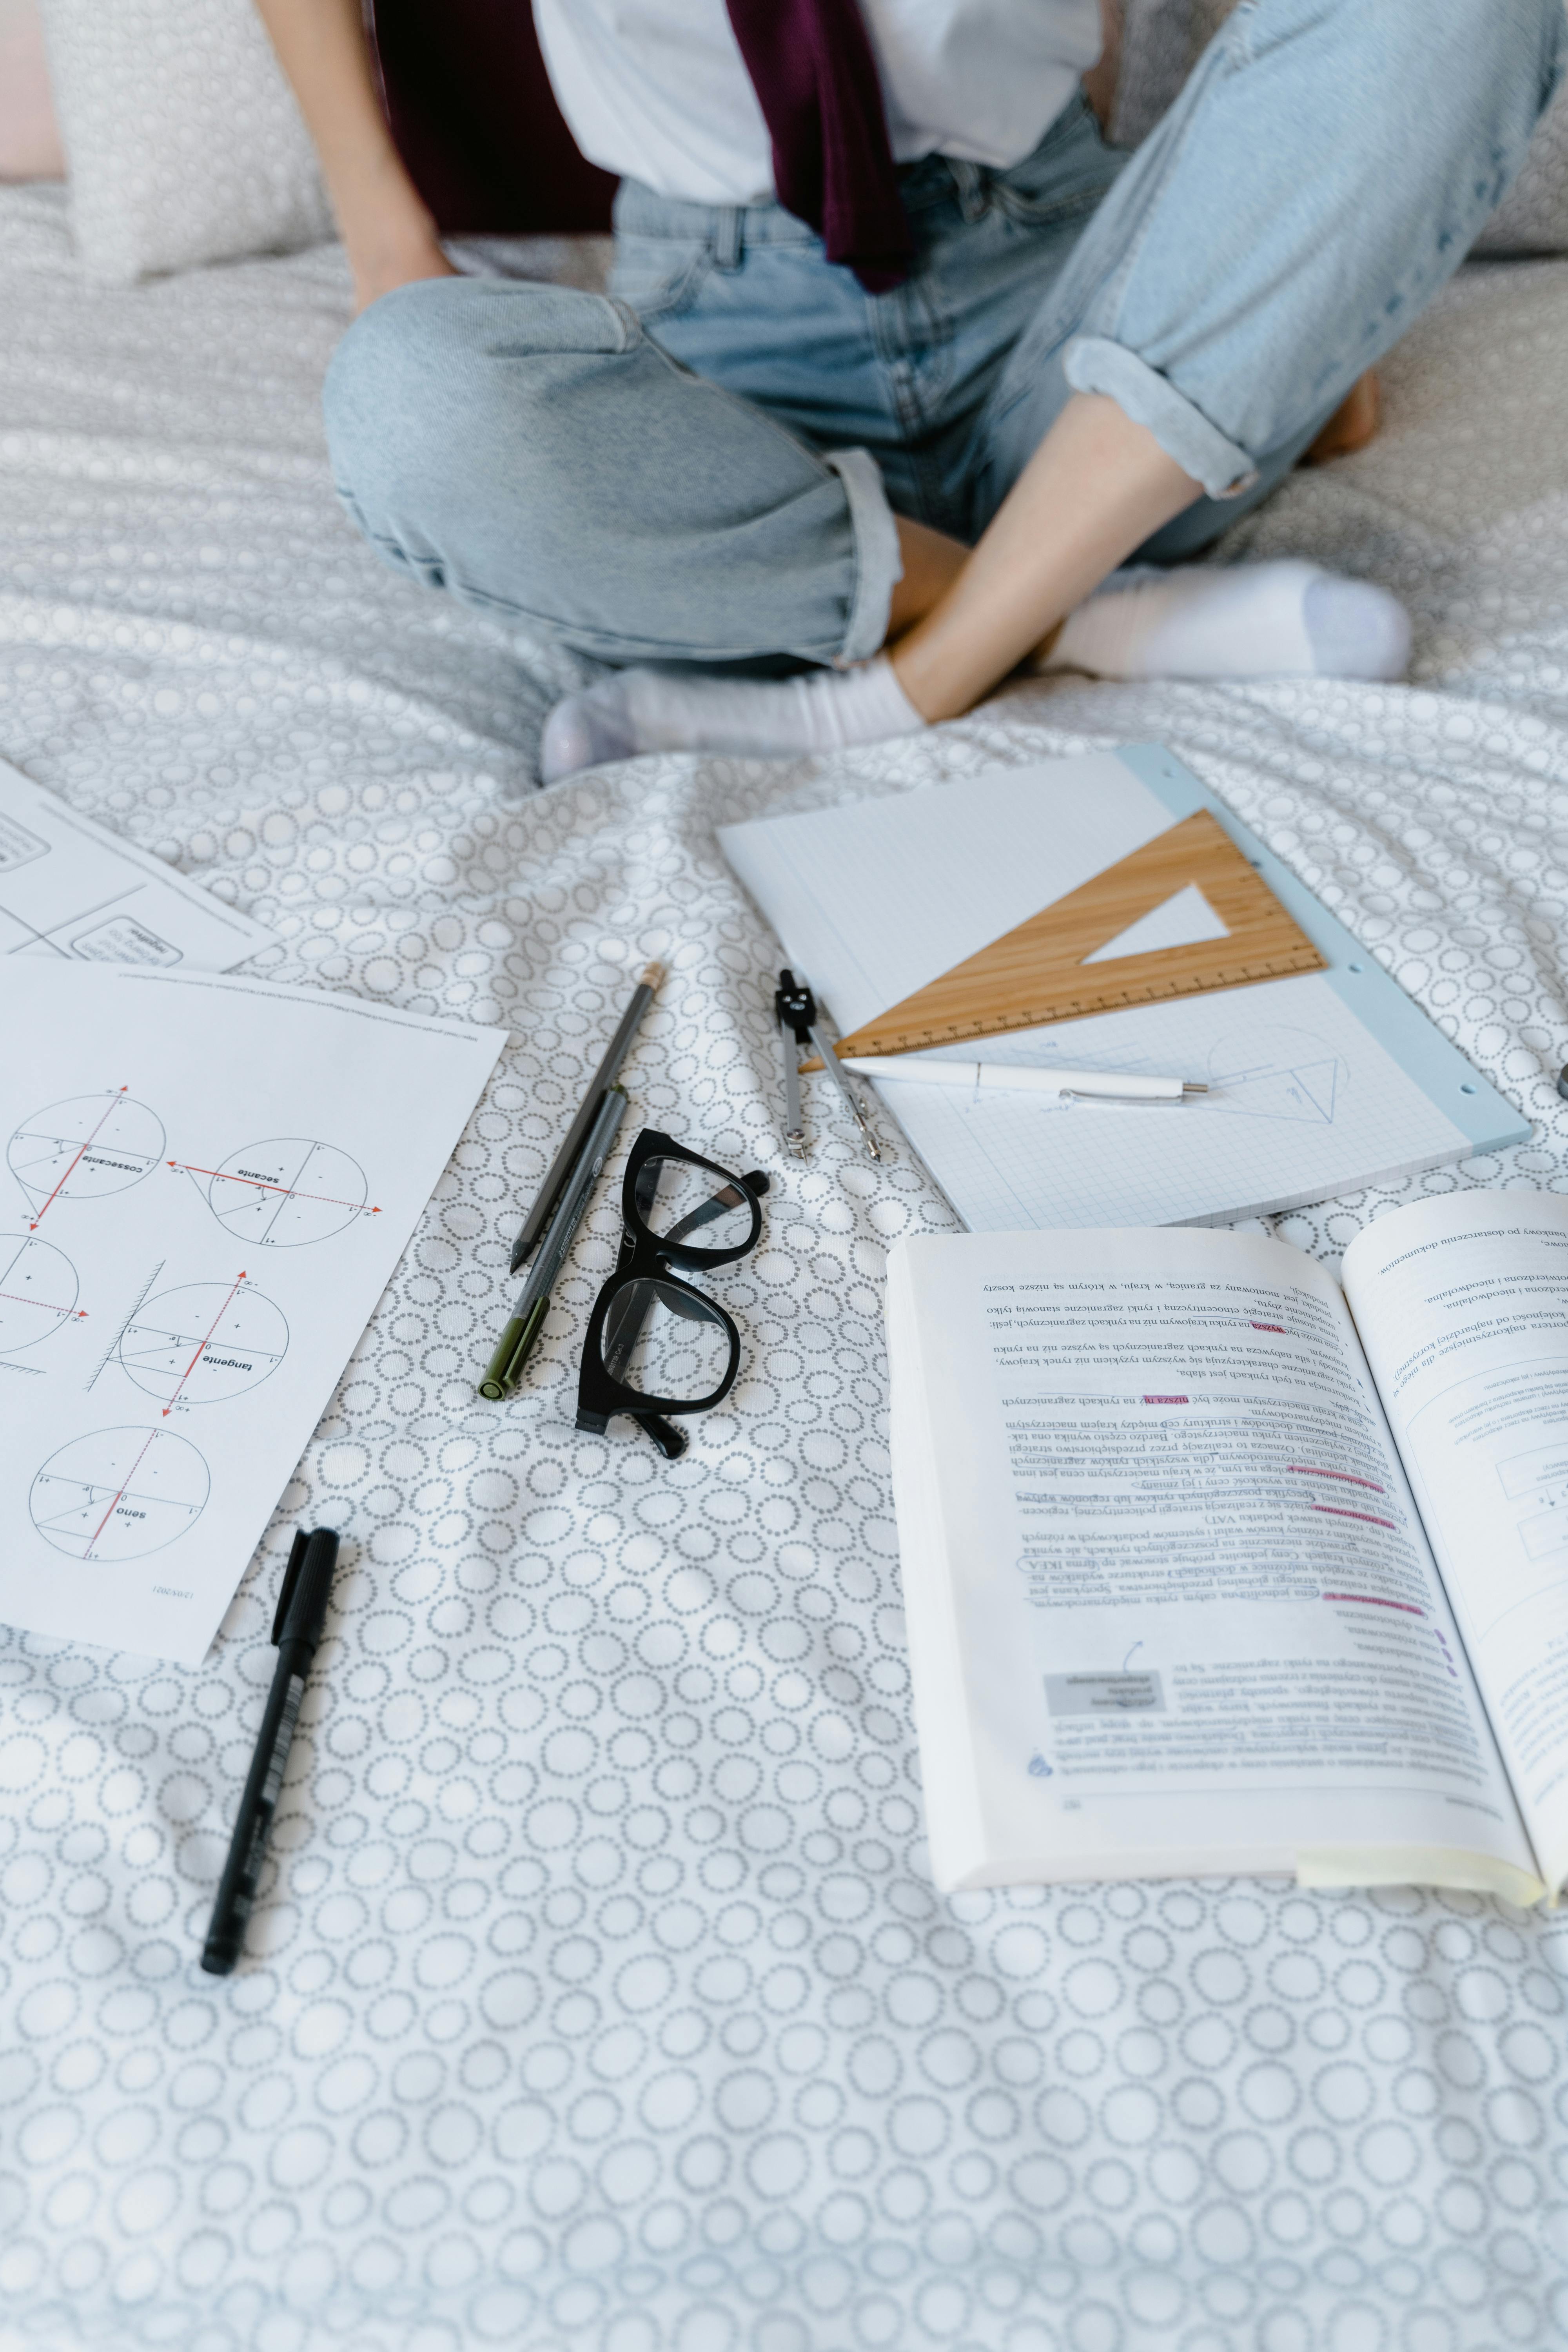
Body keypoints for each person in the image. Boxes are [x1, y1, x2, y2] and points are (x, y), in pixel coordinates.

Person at [257, 0, 1564, 779]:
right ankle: (1076, 616)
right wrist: (386, 236)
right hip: (730, 343)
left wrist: (1313, 264)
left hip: (1084, 321)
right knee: (405, 395)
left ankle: (901, 685)